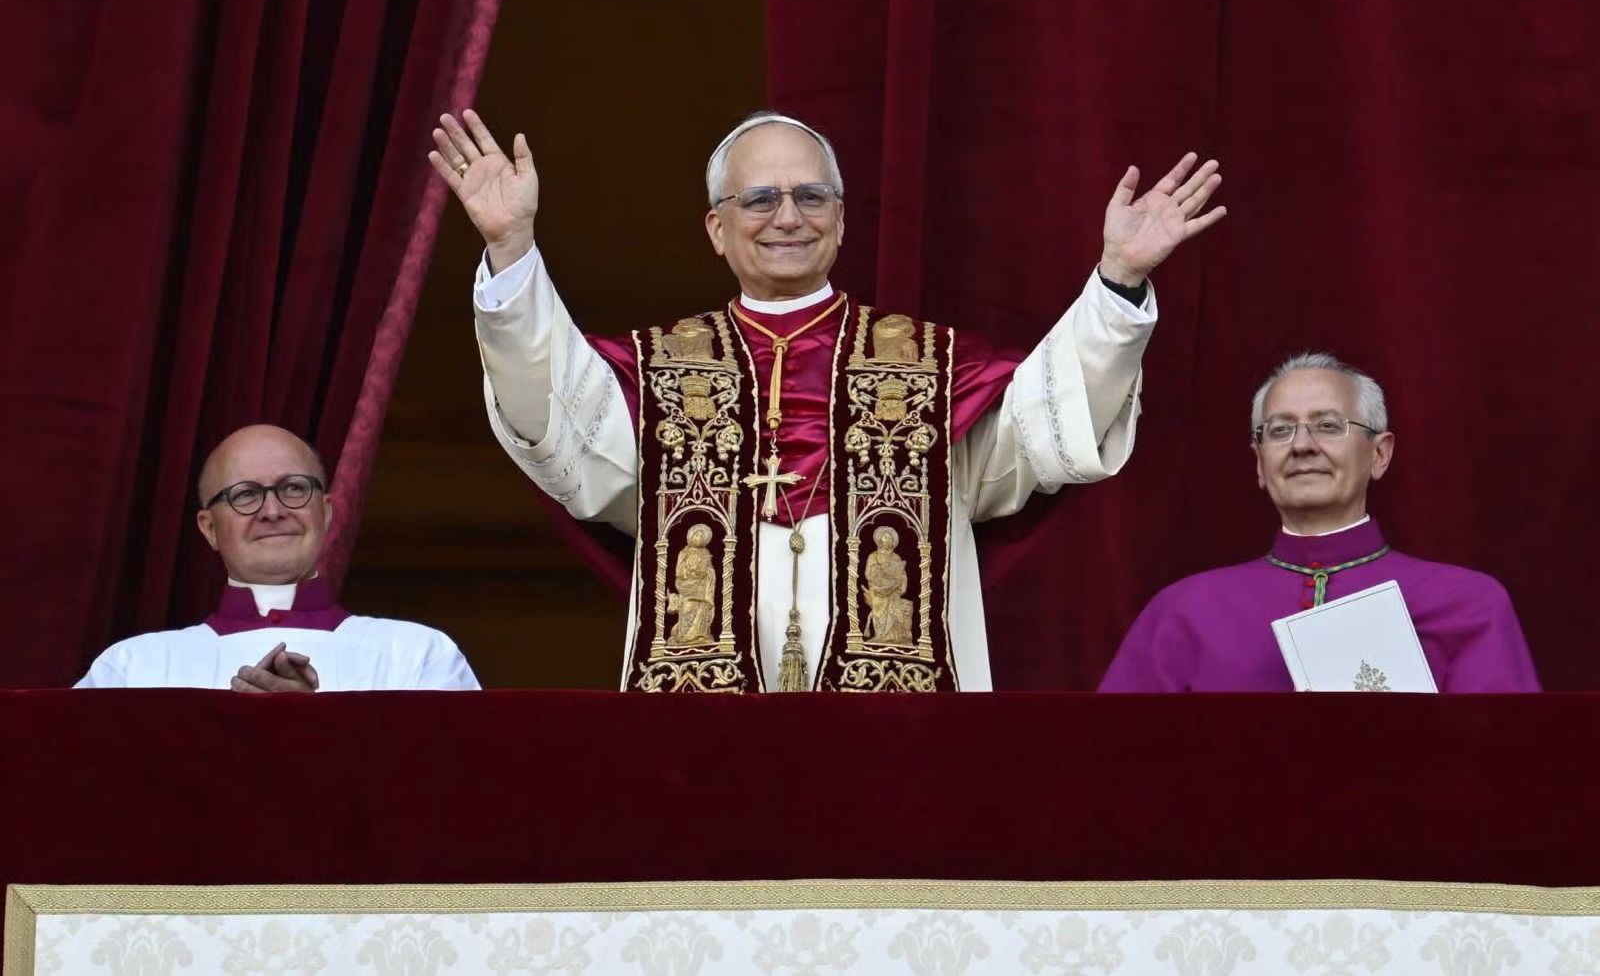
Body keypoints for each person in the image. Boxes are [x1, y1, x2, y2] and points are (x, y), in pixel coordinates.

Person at [433, 109, 1225, 692]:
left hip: (900, 720)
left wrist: (1117, 279)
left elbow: (1050, 423)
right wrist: (511, 250)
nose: (788, 216)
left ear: (841, 223)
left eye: (812, 197)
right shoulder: (658, 370)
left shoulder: (931, 368)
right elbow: (556, 425)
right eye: (760, 199)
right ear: (715, 227)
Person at [1099, 352, 1540, 693]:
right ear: (1259, 463)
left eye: (1328, 426)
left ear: (1379, 454)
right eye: (1279, 430)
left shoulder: (1468, 605)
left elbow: (1506, 770)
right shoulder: (1184, 612)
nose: (1302, 446)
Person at [77, 425, 480, 691]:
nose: (272, 511)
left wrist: (318, 730)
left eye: (292, 488)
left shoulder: (419, 657)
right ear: (209, 528)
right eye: (246, 495)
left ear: (325, 512)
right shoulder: (131, 669)